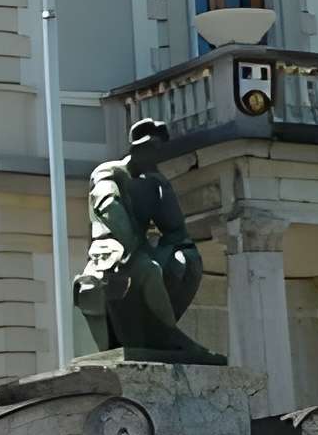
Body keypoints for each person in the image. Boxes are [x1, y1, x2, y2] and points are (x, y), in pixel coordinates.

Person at [73, 117, 223, 362]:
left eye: (159, 151)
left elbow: (174, 229)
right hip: (112, 252)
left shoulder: (151, 182)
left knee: (187, 262)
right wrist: (136, 247)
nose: (157, 156)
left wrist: (164, 190)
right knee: (150, 270)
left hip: (140, 249)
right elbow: (110, 209)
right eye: (152, 150)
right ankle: (171, 335)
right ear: (138, 149)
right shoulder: (109, 173)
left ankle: (158, 332)